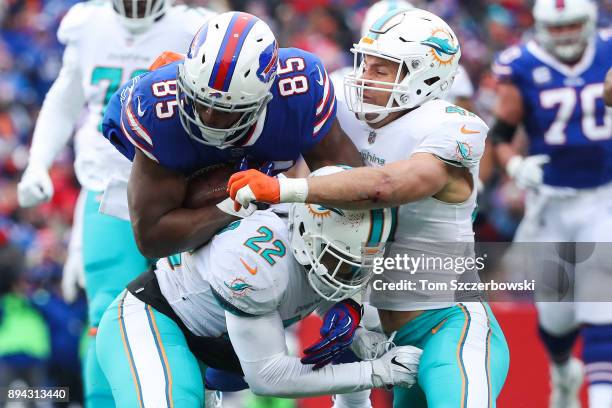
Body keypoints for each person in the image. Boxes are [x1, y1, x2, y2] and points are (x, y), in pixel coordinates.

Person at [228, 8, 509, 407]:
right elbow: (266, 90)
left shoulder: (450, 127)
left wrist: (284, 189)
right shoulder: (348, 106)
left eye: (383, 69)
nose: (364, 76)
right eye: (366, 63)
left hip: (452, 324)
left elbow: (387, 186)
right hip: (388, 336)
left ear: (427, 75)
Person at [15, 1, 215, 406]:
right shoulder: (88, 25)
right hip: (109, 192)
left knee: (197, 313)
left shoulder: (196, 29)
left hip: (180, 190)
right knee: (107, 312)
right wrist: (37, 163)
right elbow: (64, 99)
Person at [95, 166, 422, 407]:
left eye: (363, 263)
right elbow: (268, 376)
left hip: (211, 350)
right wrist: (377, 372)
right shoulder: (255, 265)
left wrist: (364, 352)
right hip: (154, 322)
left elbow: (339, 337)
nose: (352, 274)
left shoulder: (325, 251)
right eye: (343, 261)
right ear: (307, 236)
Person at [100, 10, 364, 262]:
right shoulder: (157, 109)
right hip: (178, 191)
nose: (209, 119)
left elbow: (347, 183)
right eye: (201, 102)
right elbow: (152, 238)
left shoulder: (299, 90)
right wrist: (232, 207)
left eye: (227, 110)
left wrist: (287, 196)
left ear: (266, 99)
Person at [490, 0, 612, 406]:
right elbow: (502, 136)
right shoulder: (520, 65)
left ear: (590, 21)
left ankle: (601, 396)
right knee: (555, 318)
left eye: (572, 25)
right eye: (556, 27)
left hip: (603, 194)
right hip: (551, 202)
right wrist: (517, 165)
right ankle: (562, 374)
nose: (564, 35)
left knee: (600, 293)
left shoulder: (609, 51)